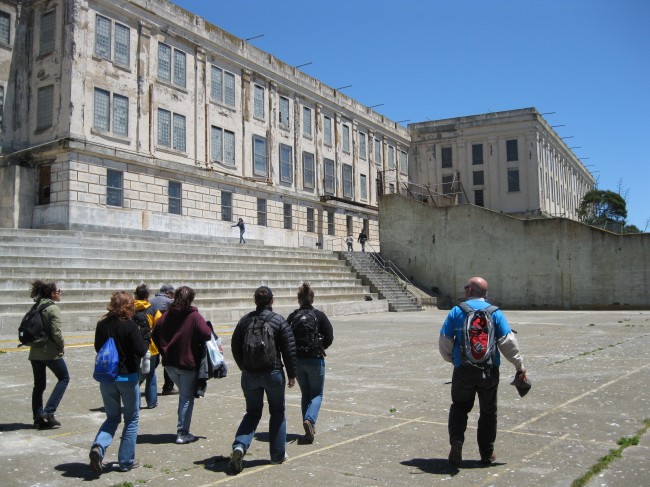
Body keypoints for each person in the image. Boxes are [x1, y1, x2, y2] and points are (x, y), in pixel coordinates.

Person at [439, 276, 527, 467]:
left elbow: (445, 340)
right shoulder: (495, 313)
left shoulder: (457, 311)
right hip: (489, 370)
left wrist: (454, 360)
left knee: (459, 407)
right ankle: (487, 452)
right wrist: (519, 366)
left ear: (470, 290)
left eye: (466, 287)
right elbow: (508, 343)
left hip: (463, 370)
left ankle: (457, 441)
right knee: (488, 412)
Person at [228, 286, 297, 475]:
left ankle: (240, 446)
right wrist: (292, 374)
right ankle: (277, 455)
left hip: (250, 374)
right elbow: (289, 350)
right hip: (273, 373)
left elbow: (235, 346)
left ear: (255, 301)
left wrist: (244, 366)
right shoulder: (279, 321)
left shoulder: (245, 321)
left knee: (252, 413)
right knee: (277, 412)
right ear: (271, 301)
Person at [89, 291, 148, 475]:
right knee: (131, 419)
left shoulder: (102, 324)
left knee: (112, 417)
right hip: (127, 377)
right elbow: (141, 350)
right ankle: (125, 461)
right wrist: (145, 338)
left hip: (107, 377)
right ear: (129, 306)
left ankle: (99, 446)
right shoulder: (130, 325)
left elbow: (98, 348)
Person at [152, 286, 212, 444]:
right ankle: (182, 433)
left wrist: (163, 350)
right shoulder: (194, 316)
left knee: (184, 395)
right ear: (191, 299)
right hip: (187, 363)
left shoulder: (167, 315)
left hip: (170, 364)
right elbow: (207, 334)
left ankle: (182, 426)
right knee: (186, 397)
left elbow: (154, 333)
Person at [286, 283, 334, 444]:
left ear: (299, 300)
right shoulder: (319, 316)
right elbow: (329, 336)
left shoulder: (293, 316)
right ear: (312, 299)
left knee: (305, 394)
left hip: (298, 360)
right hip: (315, 359)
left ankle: (308, 426)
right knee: (317, 394)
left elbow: (286, 338)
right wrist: (320, 347)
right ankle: (310, 420)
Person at [27, 280, 70, 430]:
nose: (60, 294)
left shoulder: (36, 306)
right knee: (64, 378)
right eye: (59, 291)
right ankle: (49, 411)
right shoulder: (53, 308)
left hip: (35, 352)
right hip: (50, 352)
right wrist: (61, 346)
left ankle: (38, 419)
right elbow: (56, 332)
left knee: (38, 385)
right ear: (52, 293)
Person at [133, 284, 162, 409]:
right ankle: (151, 402)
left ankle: (136, 403)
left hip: (134, 346)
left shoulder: (130, 309)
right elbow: (160, 325)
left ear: (135, 295)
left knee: (134, 375)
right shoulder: (153, 309)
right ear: (147, 296)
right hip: (150, 346)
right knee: (150, 375)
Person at [149, 284, 177, 395]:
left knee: (152, 363)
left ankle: (138, 382)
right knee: (167, 360)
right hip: (166, 335)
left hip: (152, 335)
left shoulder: (150, 301)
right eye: (172, 294)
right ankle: (168, 387)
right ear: (168, 293)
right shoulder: (169, 302)